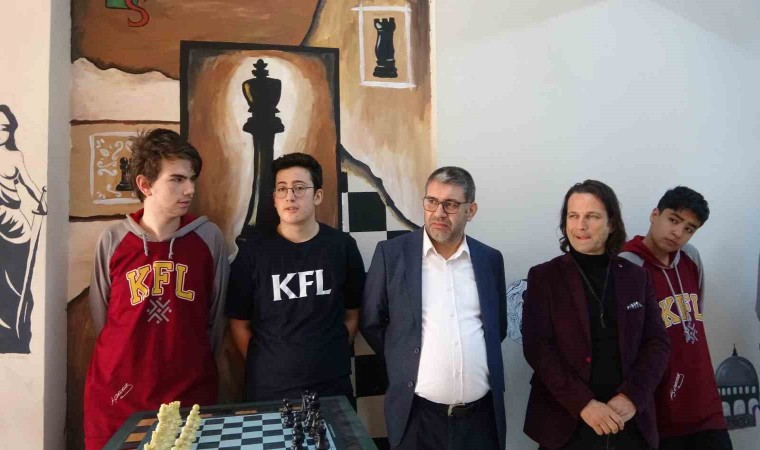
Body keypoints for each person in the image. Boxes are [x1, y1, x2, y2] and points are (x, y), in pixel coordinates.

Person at [83, 129, 229, 450]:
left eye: (191, 179)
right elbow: (103, 320)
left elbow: (215, 320)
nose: (190, 189)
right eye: (176, 179)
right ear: (145, 184)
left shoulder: (209, 239)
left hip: (188, 396)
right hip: (117, 398)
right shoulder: (113, 240)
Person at [361, 166, 507, 450]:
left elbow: (496, 328)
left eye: (450, 204)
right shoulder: (392, 255)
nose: (439, 212)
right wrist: (403, 353)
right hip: (417, 419)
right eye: (432, 201)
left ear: (471, 210)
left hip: (481, 421)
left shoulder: (490, 259)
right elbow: (371, 322)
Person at [522, 180, 669, 450]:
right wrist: (584, 404)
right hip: (566, 425)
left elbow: (657, 343)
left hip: (629, 423)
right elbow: (538, 348)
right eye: (573, 216)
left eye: (592, 216)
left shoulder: (637, 277)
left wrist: (632, 397)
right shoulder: (544, 277)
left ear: (611, 223)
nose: (581, 226)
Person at [226, 152, 364, 403]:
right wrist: (268, 364)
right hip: (268, 390)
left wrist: (333, 354)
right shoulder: (252, 252)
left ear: (317, 196)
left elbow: (353, 313)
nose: (290, 196)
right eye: (282, 189)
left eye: (299, 188)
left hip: (332, 388)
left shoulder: (342, 247)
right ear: (274, 199)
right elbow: (238, 322)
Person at [619, 187, 732, 450]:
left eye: (689, 229)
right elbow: (626, 340)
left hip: (705, 404)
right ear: (654, 215)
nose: (678, 232)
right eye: (673, 220)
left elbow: (695, 319)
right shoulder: (627, 264)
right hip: (659, 408)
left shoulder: (691, 258)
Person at [0, 104, 47, 354]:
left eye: (5, 128)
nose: (1, 132)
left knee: (17, 280)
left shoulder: (15, 156)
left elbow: (28, 183)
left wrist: (42, 200)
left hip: (13, 222)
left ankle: (16, 334)